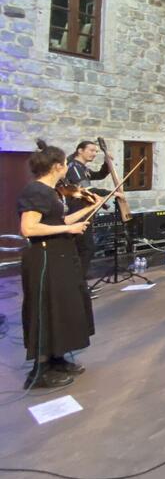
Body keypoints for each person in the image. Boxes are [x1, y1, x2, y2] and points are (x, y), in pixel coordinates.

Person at [18, 142, 102, 389]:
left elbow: (60, 219)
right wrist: (69, 228)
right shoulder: (35, 191)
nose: (67, 167)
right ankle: (39, 371)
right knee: (46, 309)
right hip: (44, 259)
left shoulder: (52, 192)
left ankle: (57, 358)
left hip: (60, 256)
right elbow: (28, 228)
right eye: (65, 163)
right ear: (57, 166)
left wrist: (90, 208)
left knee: (61, 307)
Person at [64, 140, 115, 286]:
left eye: (96, 151)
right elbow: (87, 189)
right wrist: (111, 192)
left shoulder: (82, 168)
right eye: (91, 150)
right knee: (86, 248)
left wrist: (107, 163)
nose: (94, 153)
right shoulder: (73, 166)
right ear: (80, 150)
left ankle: (78, 283)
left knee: (85, 248)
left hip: (83, 210)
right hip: (76, 210)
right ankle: (77, 284)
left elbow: (99, 175)